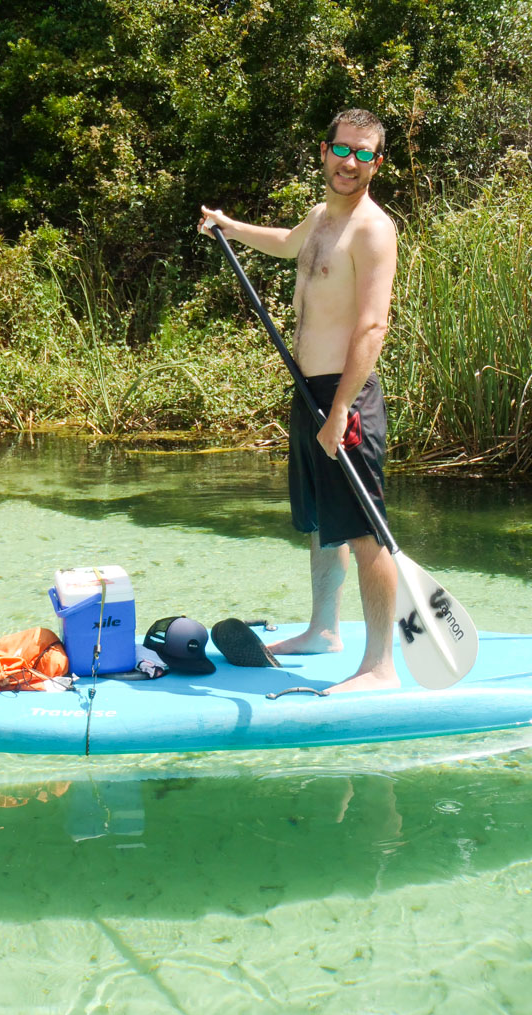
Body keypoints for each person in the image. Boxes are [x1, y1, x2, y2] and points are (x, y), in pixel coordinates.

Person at [199, 108, 399, 692]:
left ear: (376, 164)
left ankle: (381, 666)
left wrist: (340, 410)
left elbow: (372, 327)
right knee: (319, 521)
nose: (351, 162)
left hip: (346, 396)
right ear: (324, 151)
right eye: (344, 150)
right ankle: (324, 630)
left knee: (365, 532)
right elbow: (287, 246)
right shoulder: (319, 218)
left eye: (364, 154)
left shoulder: (372, 228)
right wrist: (231, 228)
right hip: (307, 389)